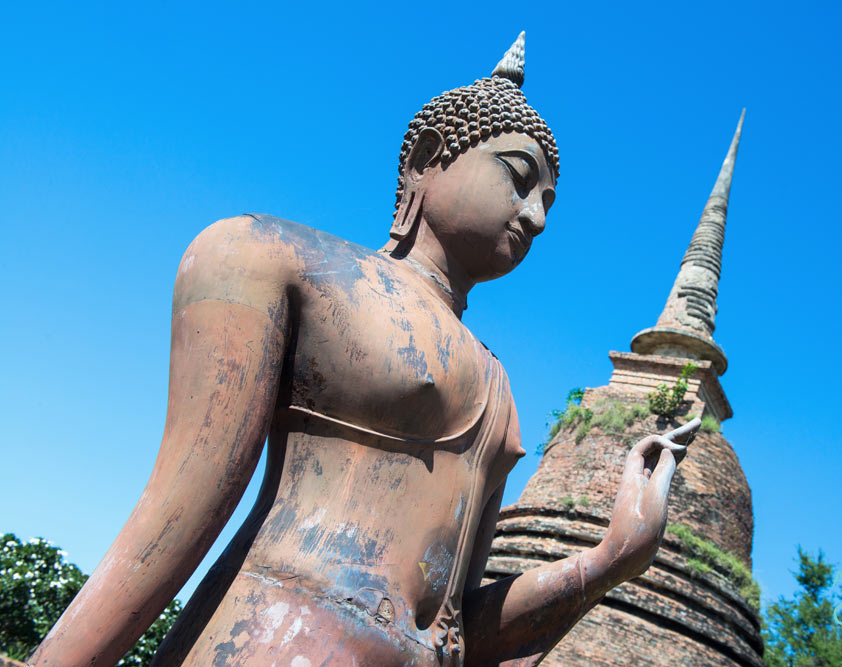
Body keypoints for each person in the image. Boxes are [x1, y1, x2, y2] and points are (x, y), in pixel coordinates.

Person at [29, 33, 698, 667]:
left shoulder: (501, 391)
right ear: (427, 158)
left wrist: (614, 553)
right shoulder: (277, 260)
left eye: (548, 201)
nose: (535, 217)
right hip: (271, 640)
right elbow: (175, 515)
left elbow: (458, 628)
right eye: (519, 180)